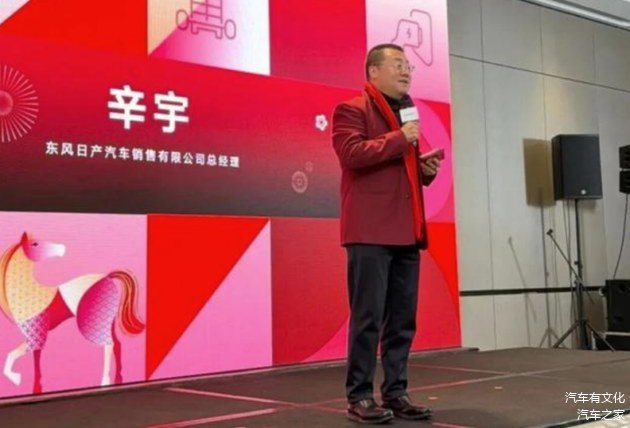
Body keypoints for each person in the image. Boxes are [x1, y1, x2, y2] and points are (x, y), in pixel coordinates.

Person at [331, 43, 441, 424]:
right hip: (370, 232)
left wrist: (422, 169)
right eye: (398, 65)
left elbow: (396, 166)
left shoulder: (406, 113)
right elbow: (351, 154)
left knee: (402, 320)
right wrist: (401, 139)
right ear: (373, 71)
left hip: (406, 231)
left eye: (408, 65)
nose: (406, 71)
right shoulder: (351, 109)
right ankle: (359, 396)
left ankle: (396, 392)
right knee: (368, 317)